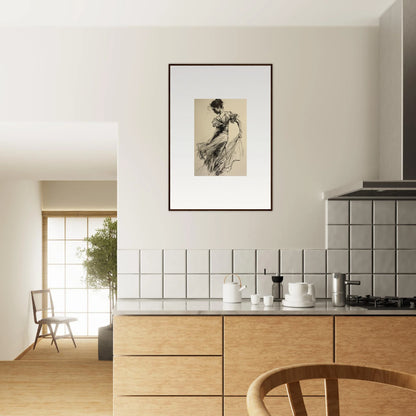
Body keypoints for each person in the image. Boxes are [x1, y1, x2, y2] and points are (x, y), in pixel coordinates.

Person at [196, 99, 243, 176]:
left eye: (214, 109)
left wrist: (241, 132)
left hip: (222, 138)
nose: (214, 111)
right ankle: (218, 170)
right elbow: (216, 132)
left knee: (210, 152)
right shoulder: (217, 118)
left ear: (218, 107)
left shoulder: (227, 114)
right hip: (219, 138)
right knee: (217, 154)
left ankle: (218, 169)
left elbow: (238, 121)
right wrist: (211, 140)